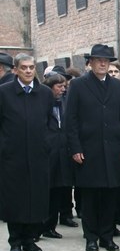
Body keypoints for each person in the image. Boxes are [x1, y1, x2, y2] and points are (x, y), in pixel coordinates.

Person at [65, 44, 120, 251]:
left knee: (111, 196)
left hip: (112, 149)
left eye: (106, 60)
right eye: (98, 60)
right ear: (90, 62)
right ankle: (91, 237)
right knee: (91, 197)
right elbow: (71, 119)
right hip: (88, 150)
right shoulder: (78, 85)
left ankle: (107, 236)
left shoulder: (119, 87)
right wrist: (75, 147)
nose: (103, 63)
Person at [0, 53, 54, 251]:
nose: (29, 71)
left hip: (39, 156)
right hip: (12, 158)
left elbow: (51, 122)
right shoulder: (4, 93)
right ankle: (15, 241)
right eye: (24, 67)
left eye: (32, 67)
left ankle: (31, 239)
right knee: (16, 200)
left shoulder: (45, 94)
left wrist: (47, 143)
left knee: (36, 198)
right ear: (15, 70)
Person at [41, 72, 75, 240]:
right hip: (48, 153)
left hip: (63, 154)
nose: (63, 89)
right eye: (59, 86)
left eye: (64, 86)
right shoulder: (42, 104)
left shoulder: (65, 103)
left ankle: (50, 226)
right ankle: (39, 226)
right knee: (46, 192)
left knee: (58, 192)